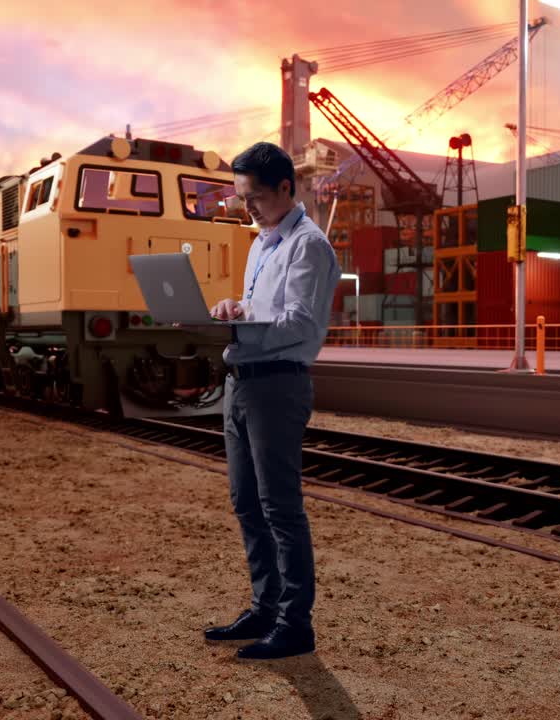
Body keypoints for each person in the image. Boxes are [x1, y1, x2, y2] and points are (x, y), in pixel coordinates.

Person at [204, 142, 340, 660]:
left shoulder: (309, 245)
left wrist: (244, 326)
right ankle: (266, 606)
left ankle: (294, 624)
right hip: (243, 381)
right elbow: (264, 310)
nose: (249, 209)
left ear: (288, 188)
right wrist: (232, 308)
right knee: (245, 502)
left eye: (256, 198)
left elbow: (301, 324)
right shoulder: (262, 243)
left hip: (278, 383)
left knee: (280, 507)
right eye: (242, 199)